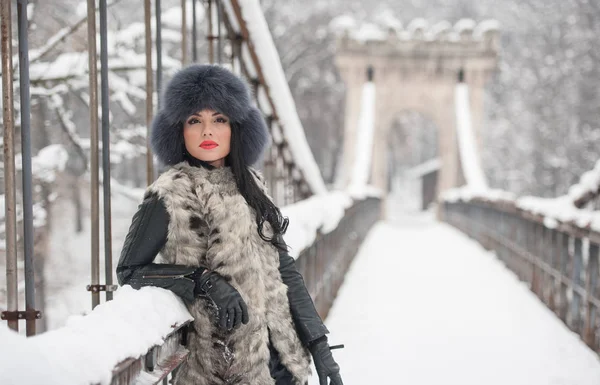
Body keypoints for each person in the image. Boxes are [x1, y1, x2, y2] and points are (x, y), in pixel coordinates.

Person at [116, 64, 343, 385]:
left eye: (219, 120)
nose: (207, 131)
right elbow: (129, 271)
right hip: (220, 370)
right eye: (195, 121)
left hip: (282, 365)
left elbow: (284, 269)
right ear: (179, 131)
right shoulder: (171, 193)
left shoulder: (252, 184)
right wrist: (203, 281)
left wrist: (320, 346)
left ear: (236, 128)